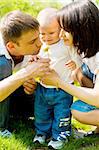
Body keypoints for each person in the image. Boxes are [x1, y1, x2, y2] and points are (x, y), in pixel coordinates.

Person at [41, 0, 99, 137]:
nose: (60, 35)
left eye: (65, 30)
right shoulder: (85, 46)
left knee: (79, 111)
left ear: (81, 30)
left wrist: (58, 82)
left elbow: (97, 98)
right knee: (78, 73)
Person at [33, 8, 82, 149]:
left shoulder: (65, 44)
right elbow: (37, 57)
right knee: (41, 111)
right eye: (42, 33)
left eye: (51, 33)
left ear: (61, 29)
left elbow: (77, 57)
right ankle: (42, 132)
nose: (46, 37)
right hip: (43, 87)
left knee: (62, 113)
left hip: (62, 88)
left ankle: (60, 135)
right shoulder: (42, 45)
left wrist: (75, 63)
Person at [0, 10, 50, 137]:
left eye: (38, 37)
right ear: (11, 46)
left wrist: (29, 86)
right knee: (3, 66)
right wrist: (26, 73)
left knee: (45, 105)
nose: (39, 43)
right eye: (32, 41)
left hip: (10, 94)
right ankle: (1, 127)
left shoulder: (31, 50)